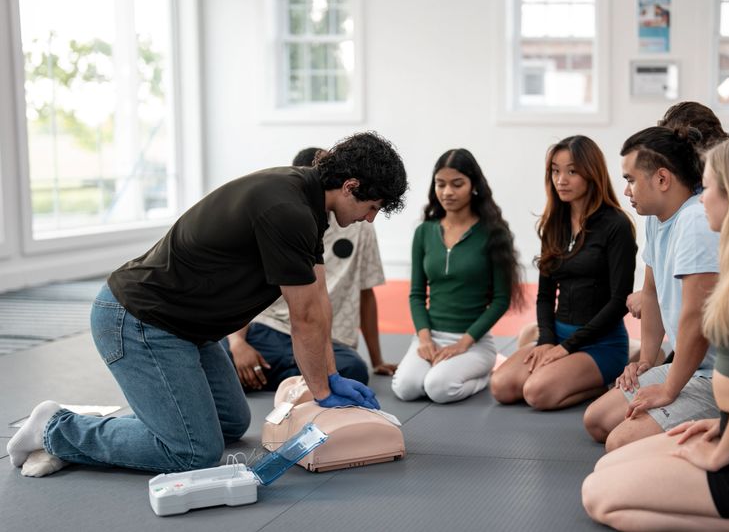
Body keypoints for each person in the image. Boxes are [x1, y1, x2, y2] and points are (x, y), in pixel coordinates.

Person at [7, 131, 408, 476]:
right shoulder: (288, 210)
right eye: (371, 208)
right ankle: (55, 429)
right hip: (139, 321)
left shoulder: (306, 202)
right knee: (192, 452)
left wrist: (333, 374)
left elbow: (317, 301)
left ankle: (130, 427)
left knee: (231, 422)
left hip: (190, 332)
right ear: (351, 186)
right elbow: (303, 317)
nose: (370, 220)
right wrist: (321, 392)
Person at [583, 134, 729, 530]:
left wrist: (717, 454)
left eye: (711, 187)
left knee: (599, 496)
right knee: (607, 468)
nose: (702, 199)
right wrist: (722, 425)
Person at [583, 126, 720, 451]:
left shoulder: (695, 222)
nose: (627, 191)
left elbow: (695, 322)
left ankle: (721, 431)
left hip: (716, 375)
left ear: (661, 179)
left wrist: (669, 390)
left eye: (631, 179)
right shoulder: (657, 219)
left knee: (619, 443)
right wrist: (646, 363)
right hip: (688, 365)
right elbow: (653, 295)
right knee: (597, 421)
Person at [223, 147, 396, 392]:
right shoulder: (284, 218)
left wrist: (377, 360)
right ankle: (293, 377)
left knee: (355, 369)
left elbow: (363, 292)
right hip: (268, 330)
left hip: (328, 340)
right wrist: (237, 342)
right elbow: (243, 287)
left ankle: (268, 376)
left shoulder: (360, 225)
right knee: (221, 353)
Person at [491, 136, 636, 410]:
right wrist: (547, 341)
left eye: (571, 171)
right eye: (555, 171)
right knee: (501, 387)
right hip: (557, 337)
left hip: (600, 343)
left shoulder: (616, 225)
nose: (561, 179)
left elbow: (619, 302)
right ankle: (561, 372)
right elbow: (545, 296)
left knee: (536, 393)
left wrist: (566, 348)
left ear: (592, 174)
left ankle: (602, 381)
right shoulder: (554, 225)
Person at [391, 149, 524, 404]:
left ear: (474, 186)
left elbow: (500, 300)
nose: (447, 192)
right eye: (440, 184)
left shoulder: (494, 233)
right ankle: (440, 362)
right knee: (406, 388)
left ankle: (485, 374)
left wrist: (464, 343)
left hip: (473, 342)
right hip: (432, 336)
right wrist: (424, 338)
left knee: (438, 388)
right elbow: (417, 294)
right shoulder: (424, 232)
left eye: (457, 184)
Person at [626, 101, 729, 325]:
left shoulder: (698, 214)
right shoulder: (661, 209)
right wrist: (647, 360)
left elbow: (696, 313)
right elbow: (652, 289)